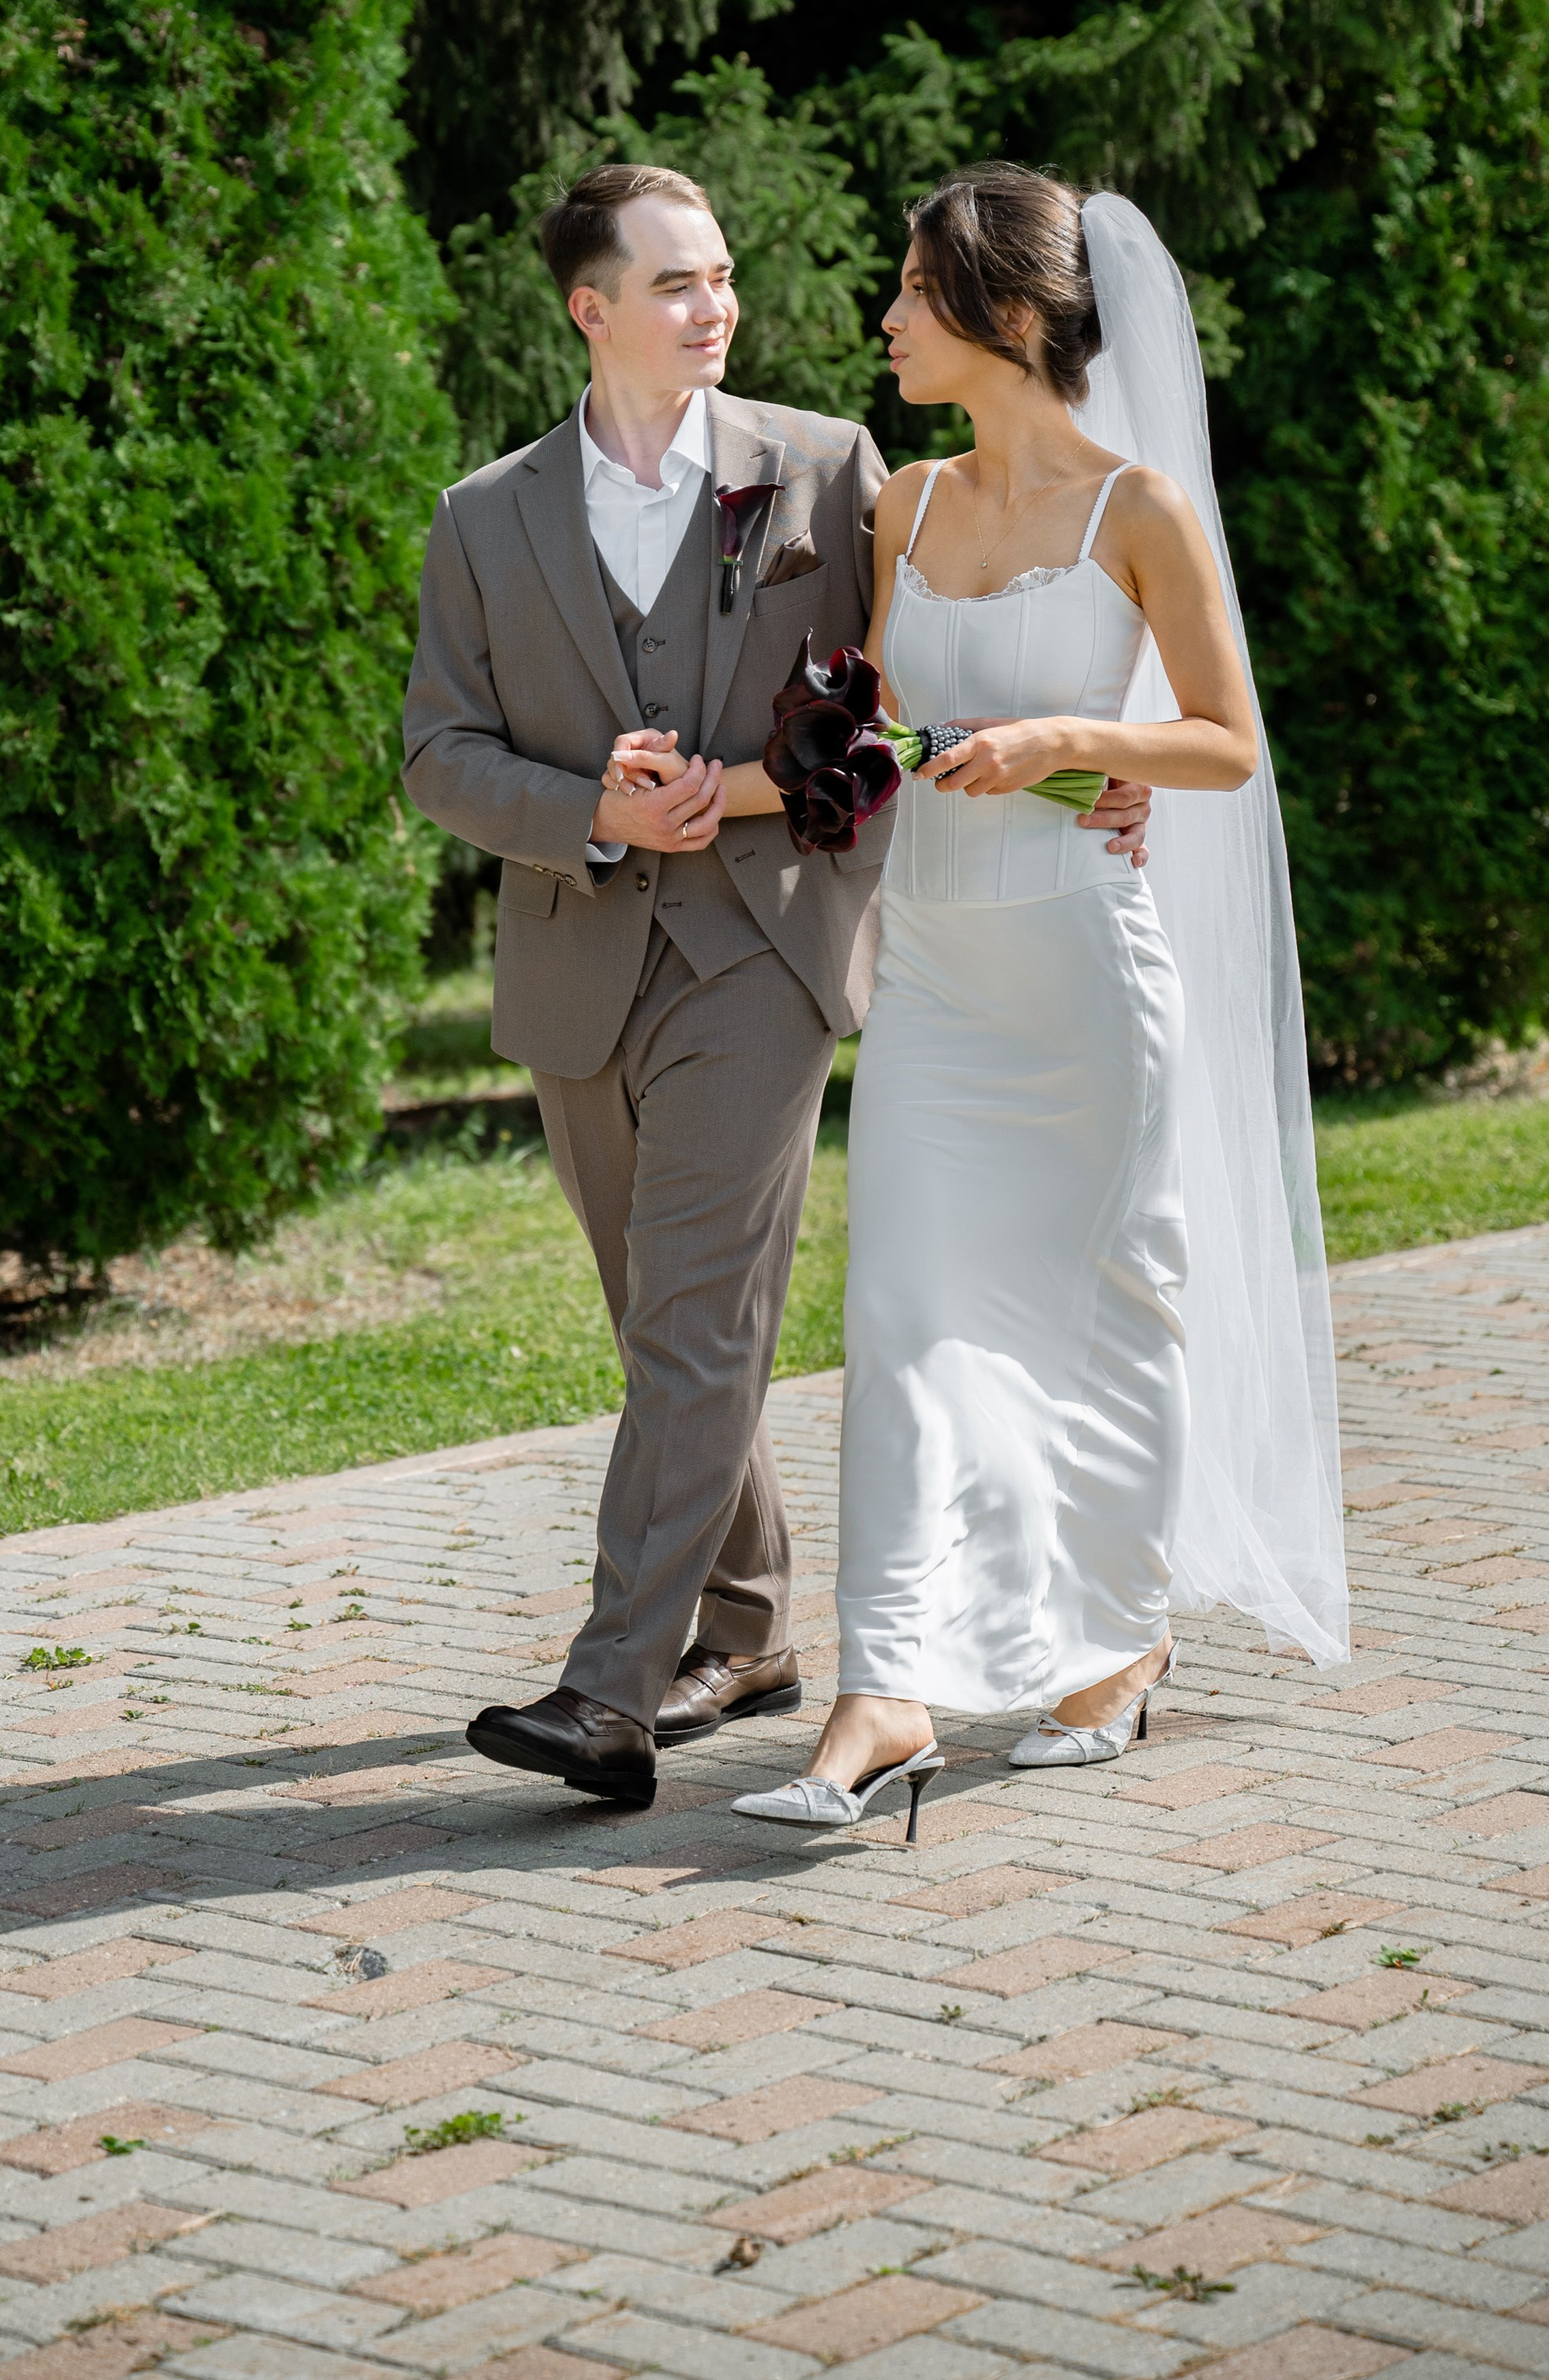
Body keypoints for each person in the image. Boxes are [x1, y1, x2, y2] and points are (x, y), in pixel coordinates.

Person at [401, 161, 1152, 1809]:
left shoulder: (822, 465)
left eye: (722, 275)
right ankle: (743, 1633)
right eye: (674, 283)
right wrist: (581, 805)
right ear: (588, 308)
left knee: (693, 1316)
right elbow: (436, 752)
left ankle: (605, 1692)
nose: (713, 305)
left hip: (763, 944)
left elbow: (918, 686)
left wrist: (1069, 766)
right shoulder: (485, 516)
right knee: (662, 1325)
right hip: (579, 959)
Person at [720, 169, 1347, 1831]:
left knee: (1110, 1305)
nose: (884, 317)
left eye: (911, 291)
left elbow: (1218, 742)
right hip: (931, 975)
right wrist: (722, 784)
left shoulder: (1133, 510)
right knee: (904, 1328)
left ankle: (1115, 1647)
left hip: (1081, 970)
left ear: (1001, 315)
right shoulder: (904, 506)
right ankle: (882, 1690)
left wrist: (1078, 746)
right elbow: (878, 736)